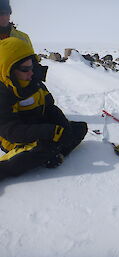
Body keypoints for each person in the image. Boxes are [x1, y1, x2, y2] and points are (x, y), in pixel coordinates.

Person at [0, 37, 88, 180]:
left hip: (37, 127)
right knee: (44, 147)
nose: (31, 72)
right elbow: (11, 131)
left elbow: (50, 108)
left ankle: (49, 155)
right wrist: (50, 132)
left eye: (32, 66)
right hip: (15, 138)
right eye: (25, 69)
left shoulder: (35, 83)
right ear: (8, 70)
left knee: (79, 128)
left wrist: (63, 128)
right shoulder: (3, 93)